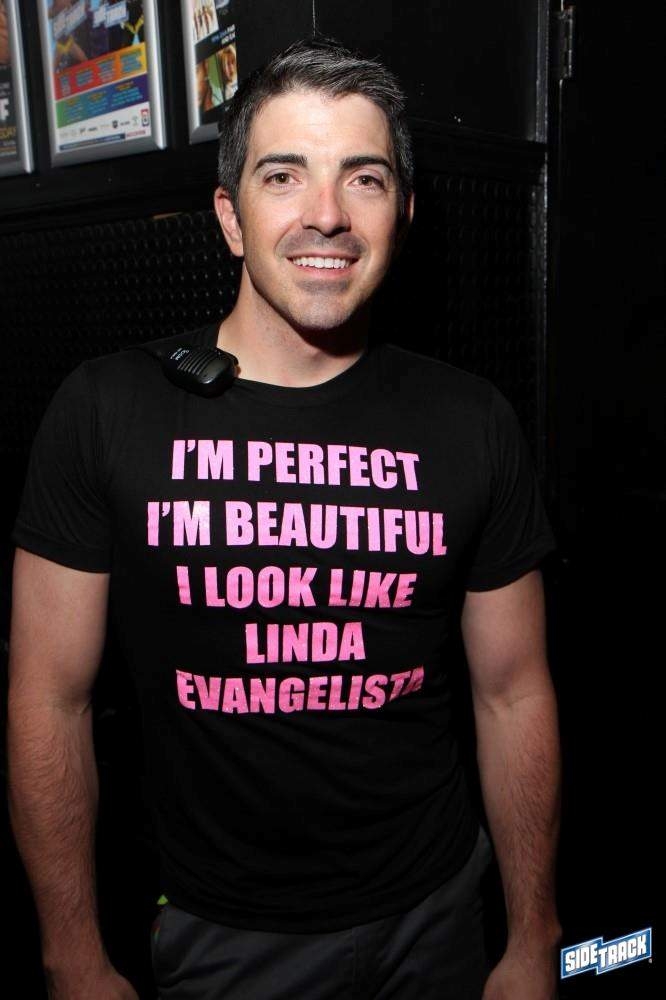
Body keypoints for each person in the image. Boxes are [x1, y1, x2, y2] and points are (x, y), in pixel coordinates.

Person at [7, 35, 562, 1000]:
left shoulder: (471, 420)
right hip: (221, 937)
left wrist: (532, 932)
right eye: (283, 175)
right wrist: (72, 954)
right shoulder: (107, 411)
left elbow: (514, 694)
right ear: (230, 216)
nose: (326, 215)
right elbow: (48, 701)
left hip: (437, 915)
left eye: (365, 178)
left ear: (403, 215)